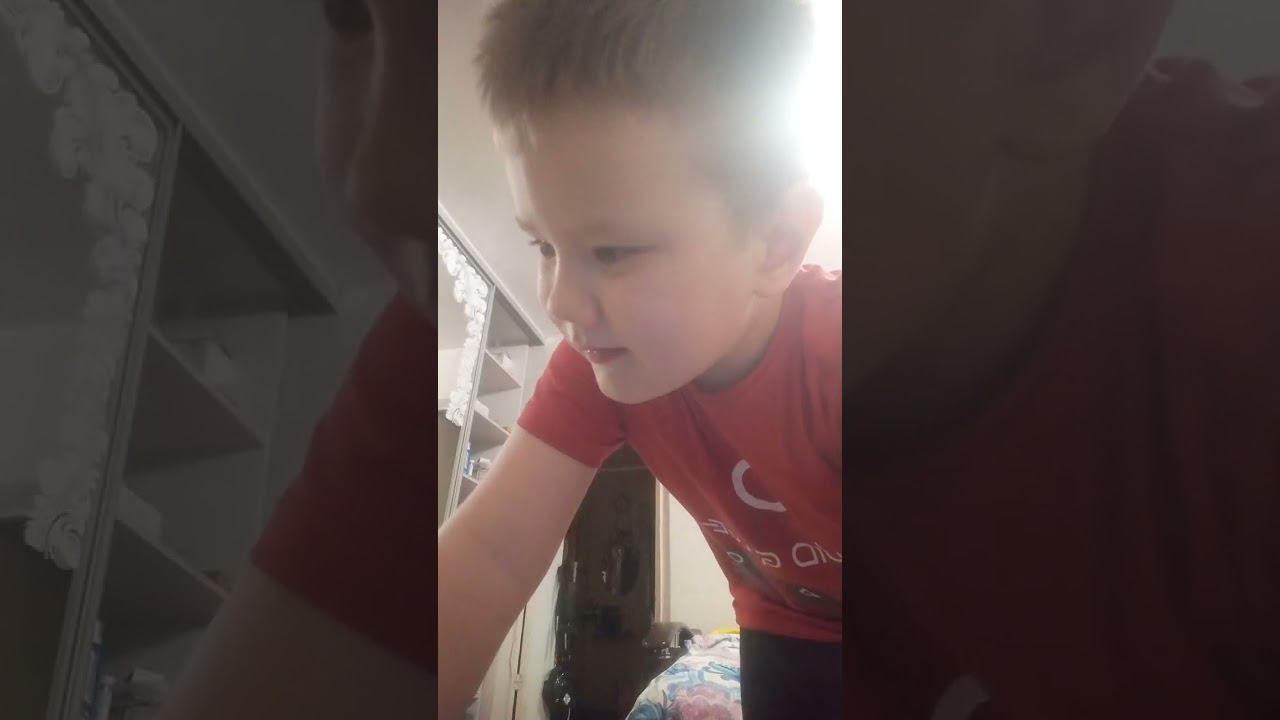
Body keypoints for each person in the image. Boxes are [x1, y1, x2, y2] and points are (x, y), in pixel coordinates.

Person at [154, 1, 1280, 719]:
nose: (382, 181)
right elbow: (489, 555)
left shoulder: (1230, 295)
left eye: (612, 249)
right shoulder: (594, 346)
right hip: (785, 630)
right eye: (348, 11)